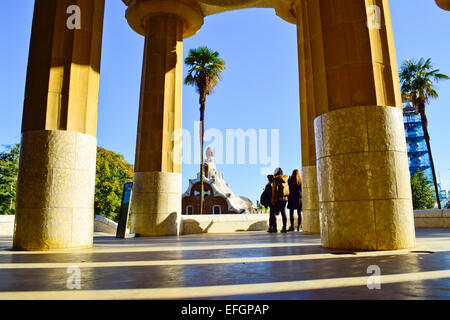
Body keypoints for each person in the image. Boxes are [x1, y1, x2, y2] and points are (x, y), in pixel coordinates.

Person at [272, 168, 289, 233]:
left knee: (273, 212)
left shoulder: (277, 179)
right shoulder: (285, 178)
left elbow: (275, 190)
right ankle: (284, 227)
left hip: (278, 198)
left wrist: (273, 200)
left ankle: (274, 228)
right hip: (285, 198)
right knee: (283, 212)